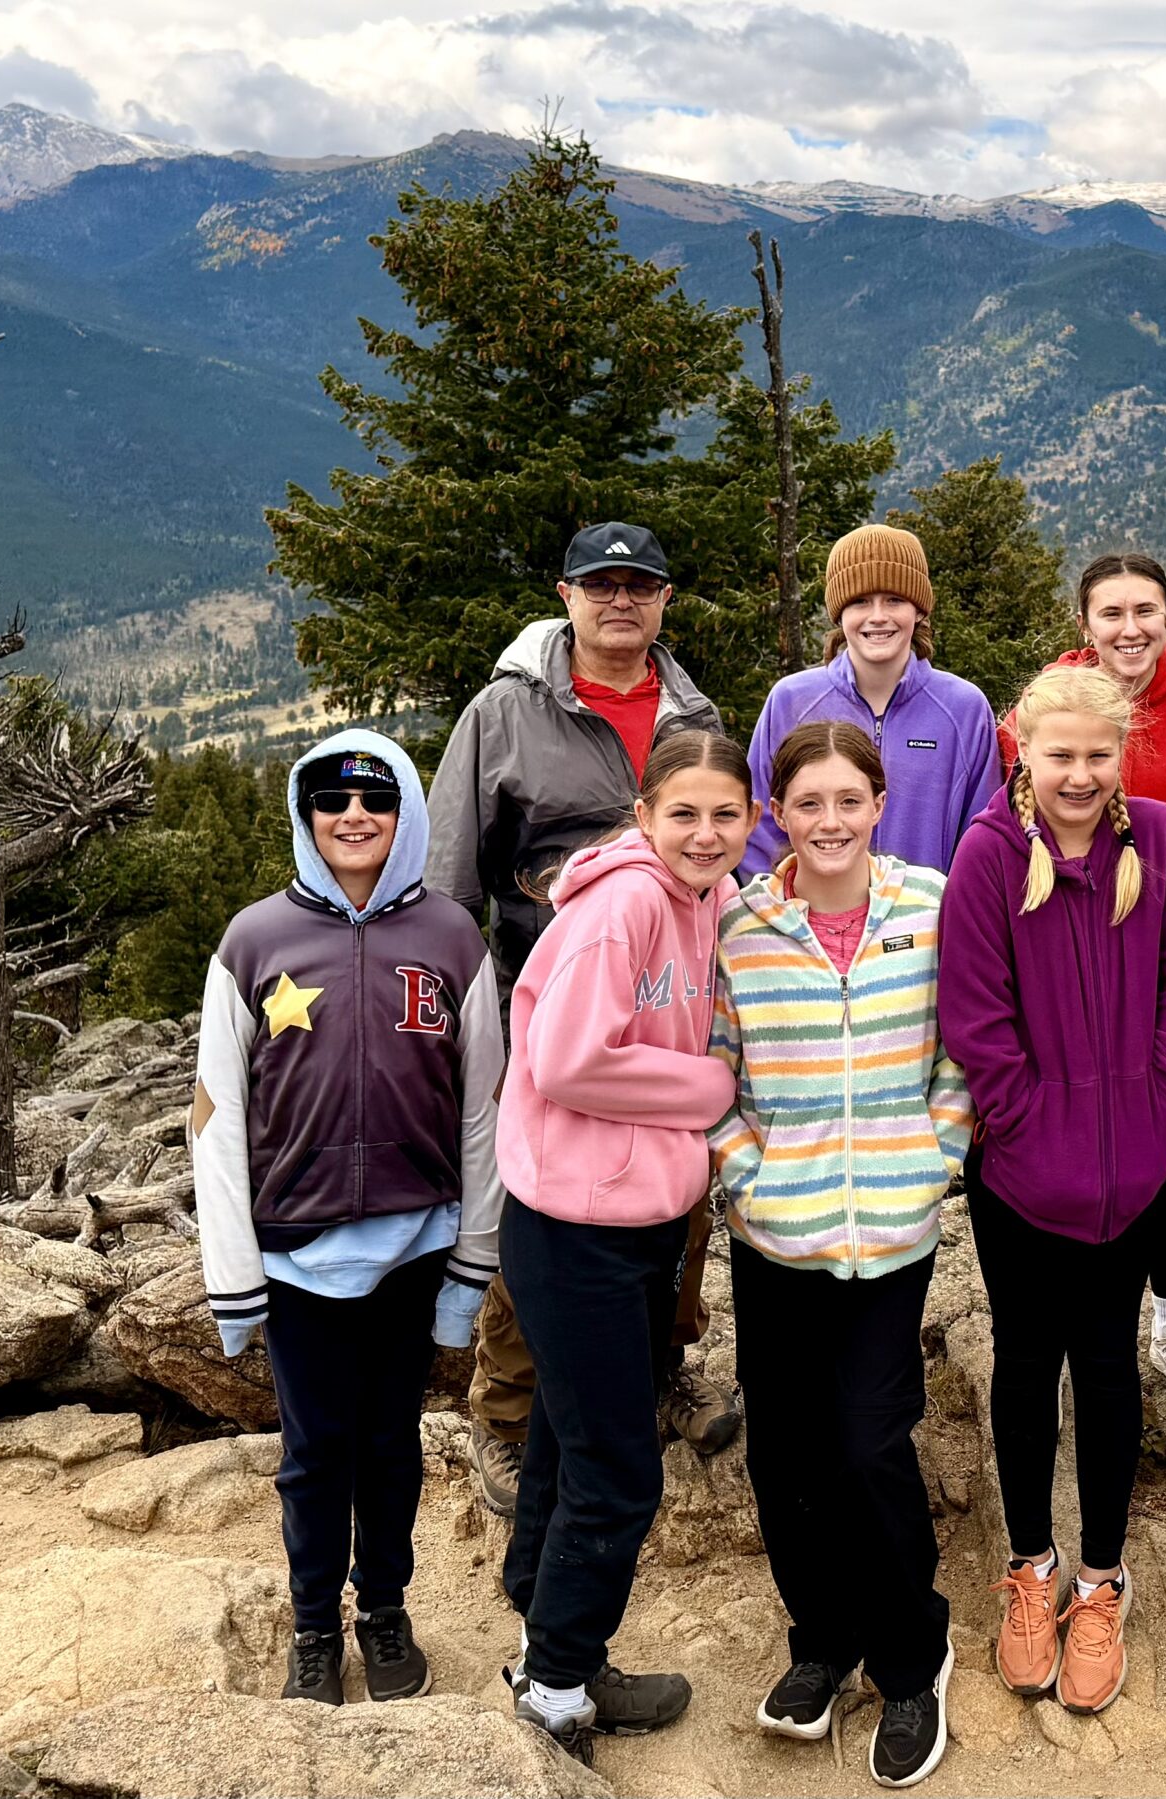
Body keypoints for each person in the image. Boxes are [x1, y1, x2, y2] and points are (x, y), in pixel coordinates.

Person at [428, 521, 740, 1517]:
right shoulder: (505, 713)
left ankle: (657, 1369)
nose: (620, 600)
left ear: (664, 599)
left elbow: (718, 848)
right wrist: (455, 1008)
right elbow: (448, 874)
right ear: (564, 593)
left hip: (673, 999)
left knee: (675, 1190)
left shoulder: (691, 710)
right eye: (600, 584)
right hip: (544, 993)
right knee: (546, 1197)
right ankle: (510, 1413)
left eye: (639, 585)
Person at [192, 731, 503, 1708]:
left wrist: (470, 1266)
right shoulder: (252, 942)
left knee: (391, 1445)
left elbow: (484, 1108)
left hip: (415, 1250)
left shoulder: (454, 938)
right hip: (295, 1261)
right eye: (331, 795)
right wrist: (232, 1276)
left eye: (375, 795)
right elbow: (215, 1117)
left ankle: (386, 1611)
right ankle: (316, 1626)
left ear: (406, 809)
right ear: (305, 811)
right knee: (315, 1453)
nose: (354, 812)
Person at [941, 664, 1166, 1718]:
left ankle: (1101, 1576)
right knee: (1025, 1366)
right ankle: (1031, 1563)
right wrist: (1025, 1126)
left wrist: (1155, 1103)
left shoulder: (1156, 841)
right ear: (1022, 747)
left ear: (1123, 755)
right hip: (1020, 1175)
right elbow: (975, 1018)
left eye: (1098, 755)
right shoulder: (985, 858)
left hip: (1133, 1168)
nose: (1078, 773)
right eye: (1058, 754)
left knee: (1108, 1371)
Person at [711, 722, 971, 1788]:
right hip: (776, 1230)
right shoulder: (740, 922)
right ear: (779, 811)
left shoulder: (932, 903)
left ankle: (914, 1655)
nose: (828, 821)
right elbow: (715, 1061)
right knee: (784, 1451)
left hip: (890, 1228)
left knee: (870, 1440)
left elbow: (963, 1047)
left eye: (847, 800)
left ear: (877, 803)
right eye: (806, 801)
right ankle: (822, 1639)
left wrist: (932, 1154)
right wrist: (746, 1174)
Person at [494, 731, 754, 1764]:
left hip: (628, 1224)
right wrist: (706, 1091)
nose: (704, 832)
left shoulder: (702, 899)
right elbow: (561, 1058)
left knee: (566, 1440)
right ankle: (556, 1691)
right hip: (574, 1229)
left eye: (725, 814)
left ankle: (542, 1629)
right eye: (682, 812)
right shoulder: (627, 904)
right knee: (616, 1469)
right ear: (642, 815)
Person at [997, 551, 1166, 1419]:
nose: (1130, 627)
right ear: (1085, 624)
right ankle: (1071, 1332)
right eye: (1111, 612)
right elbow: (1004, 828)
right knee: (1052, 1156)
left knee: (1164, 1156)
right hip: (1057, 988)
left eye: (1146, 609)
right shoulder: (1039, 708)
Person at [738, 522, 1001, 878]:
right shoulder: (792, 700)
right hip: (801, 925)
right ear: (840, 613)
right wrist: (778, 914)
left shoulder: (964, 709)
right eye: (860, 601)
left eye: (894, 599)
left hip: (927, 927)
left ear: (919, 611)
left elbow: (982, 837)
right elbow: (759, 824)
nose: (878, 616)